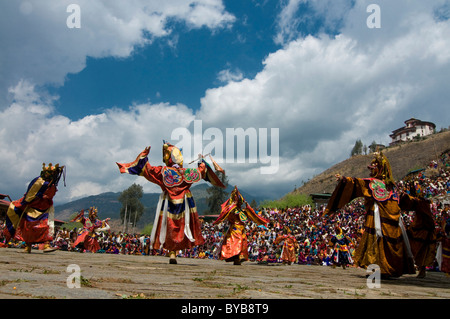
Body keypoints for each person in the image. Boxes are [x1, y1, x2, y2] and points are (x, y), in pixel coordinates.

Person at [325, 151, 436, 278]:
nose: (371, 171)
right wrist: (345, 179)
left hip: (384, 220)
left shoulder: (380, 185)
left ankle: (385, 269)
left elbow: (358, 183)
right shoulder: (389, 187)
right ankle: (384, 269)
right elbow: (359, 182)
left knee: (381, 242)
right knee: (382, 242)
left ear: (380, 169)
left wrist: (345, 180)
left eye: (373, 168)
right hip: (385, 220)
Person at [116, 142, 226, 264]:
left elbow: (147, 169)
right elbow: (201, 172)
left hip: (168, 202)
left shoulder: (163, 171)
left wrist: (144, 156)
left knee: (168, 226)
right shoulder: (186, 173)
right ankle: (175, 251)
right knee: (182, 227)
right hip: (184, 204)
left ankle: (172, 252)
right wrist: (201, 162)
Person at [4, 163, 65, 253]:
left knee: (45, 227)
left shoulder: (52, 185)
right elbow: (30, 195)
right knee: (29, 228)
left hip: (44, 209)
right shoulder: (39, 181)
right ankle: (28, 246)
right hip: (33, 208)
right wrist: (39, 197)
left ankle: (46, 245)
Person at [213, 186, 268, 265]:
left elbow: (250, 214)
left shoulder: (242, 210)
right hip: (234, 229)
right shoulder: (231, 209)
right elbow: (226, 214)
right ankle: (236, 257)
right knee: (236, 242)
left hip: (241, 229)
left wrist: (247, 207)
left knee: (242, 241)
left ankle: (239, 257)